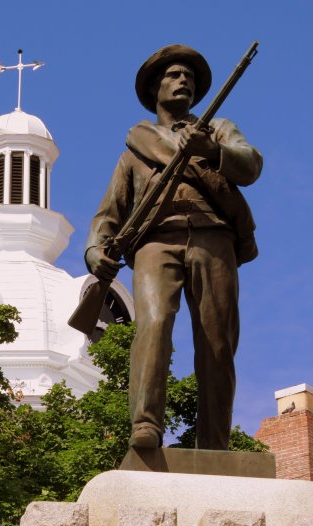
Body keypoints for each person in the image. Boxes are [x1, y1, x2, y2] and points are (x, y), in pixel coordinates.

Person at [85, 45, 263, 450]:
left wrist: (212, 151)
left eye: (190, 77)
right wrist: (95, 250)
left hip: (213, 235)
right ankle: (145, 425)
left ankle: (214, 440)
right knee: (153, 325)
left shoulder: (217, 129)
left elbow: (250, 164)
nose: (185, 81)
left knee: (217, 340)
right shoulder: (135, 150)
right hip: (155, 241)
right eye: (175, 74)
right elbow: (108, 213)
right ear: (155, 87)